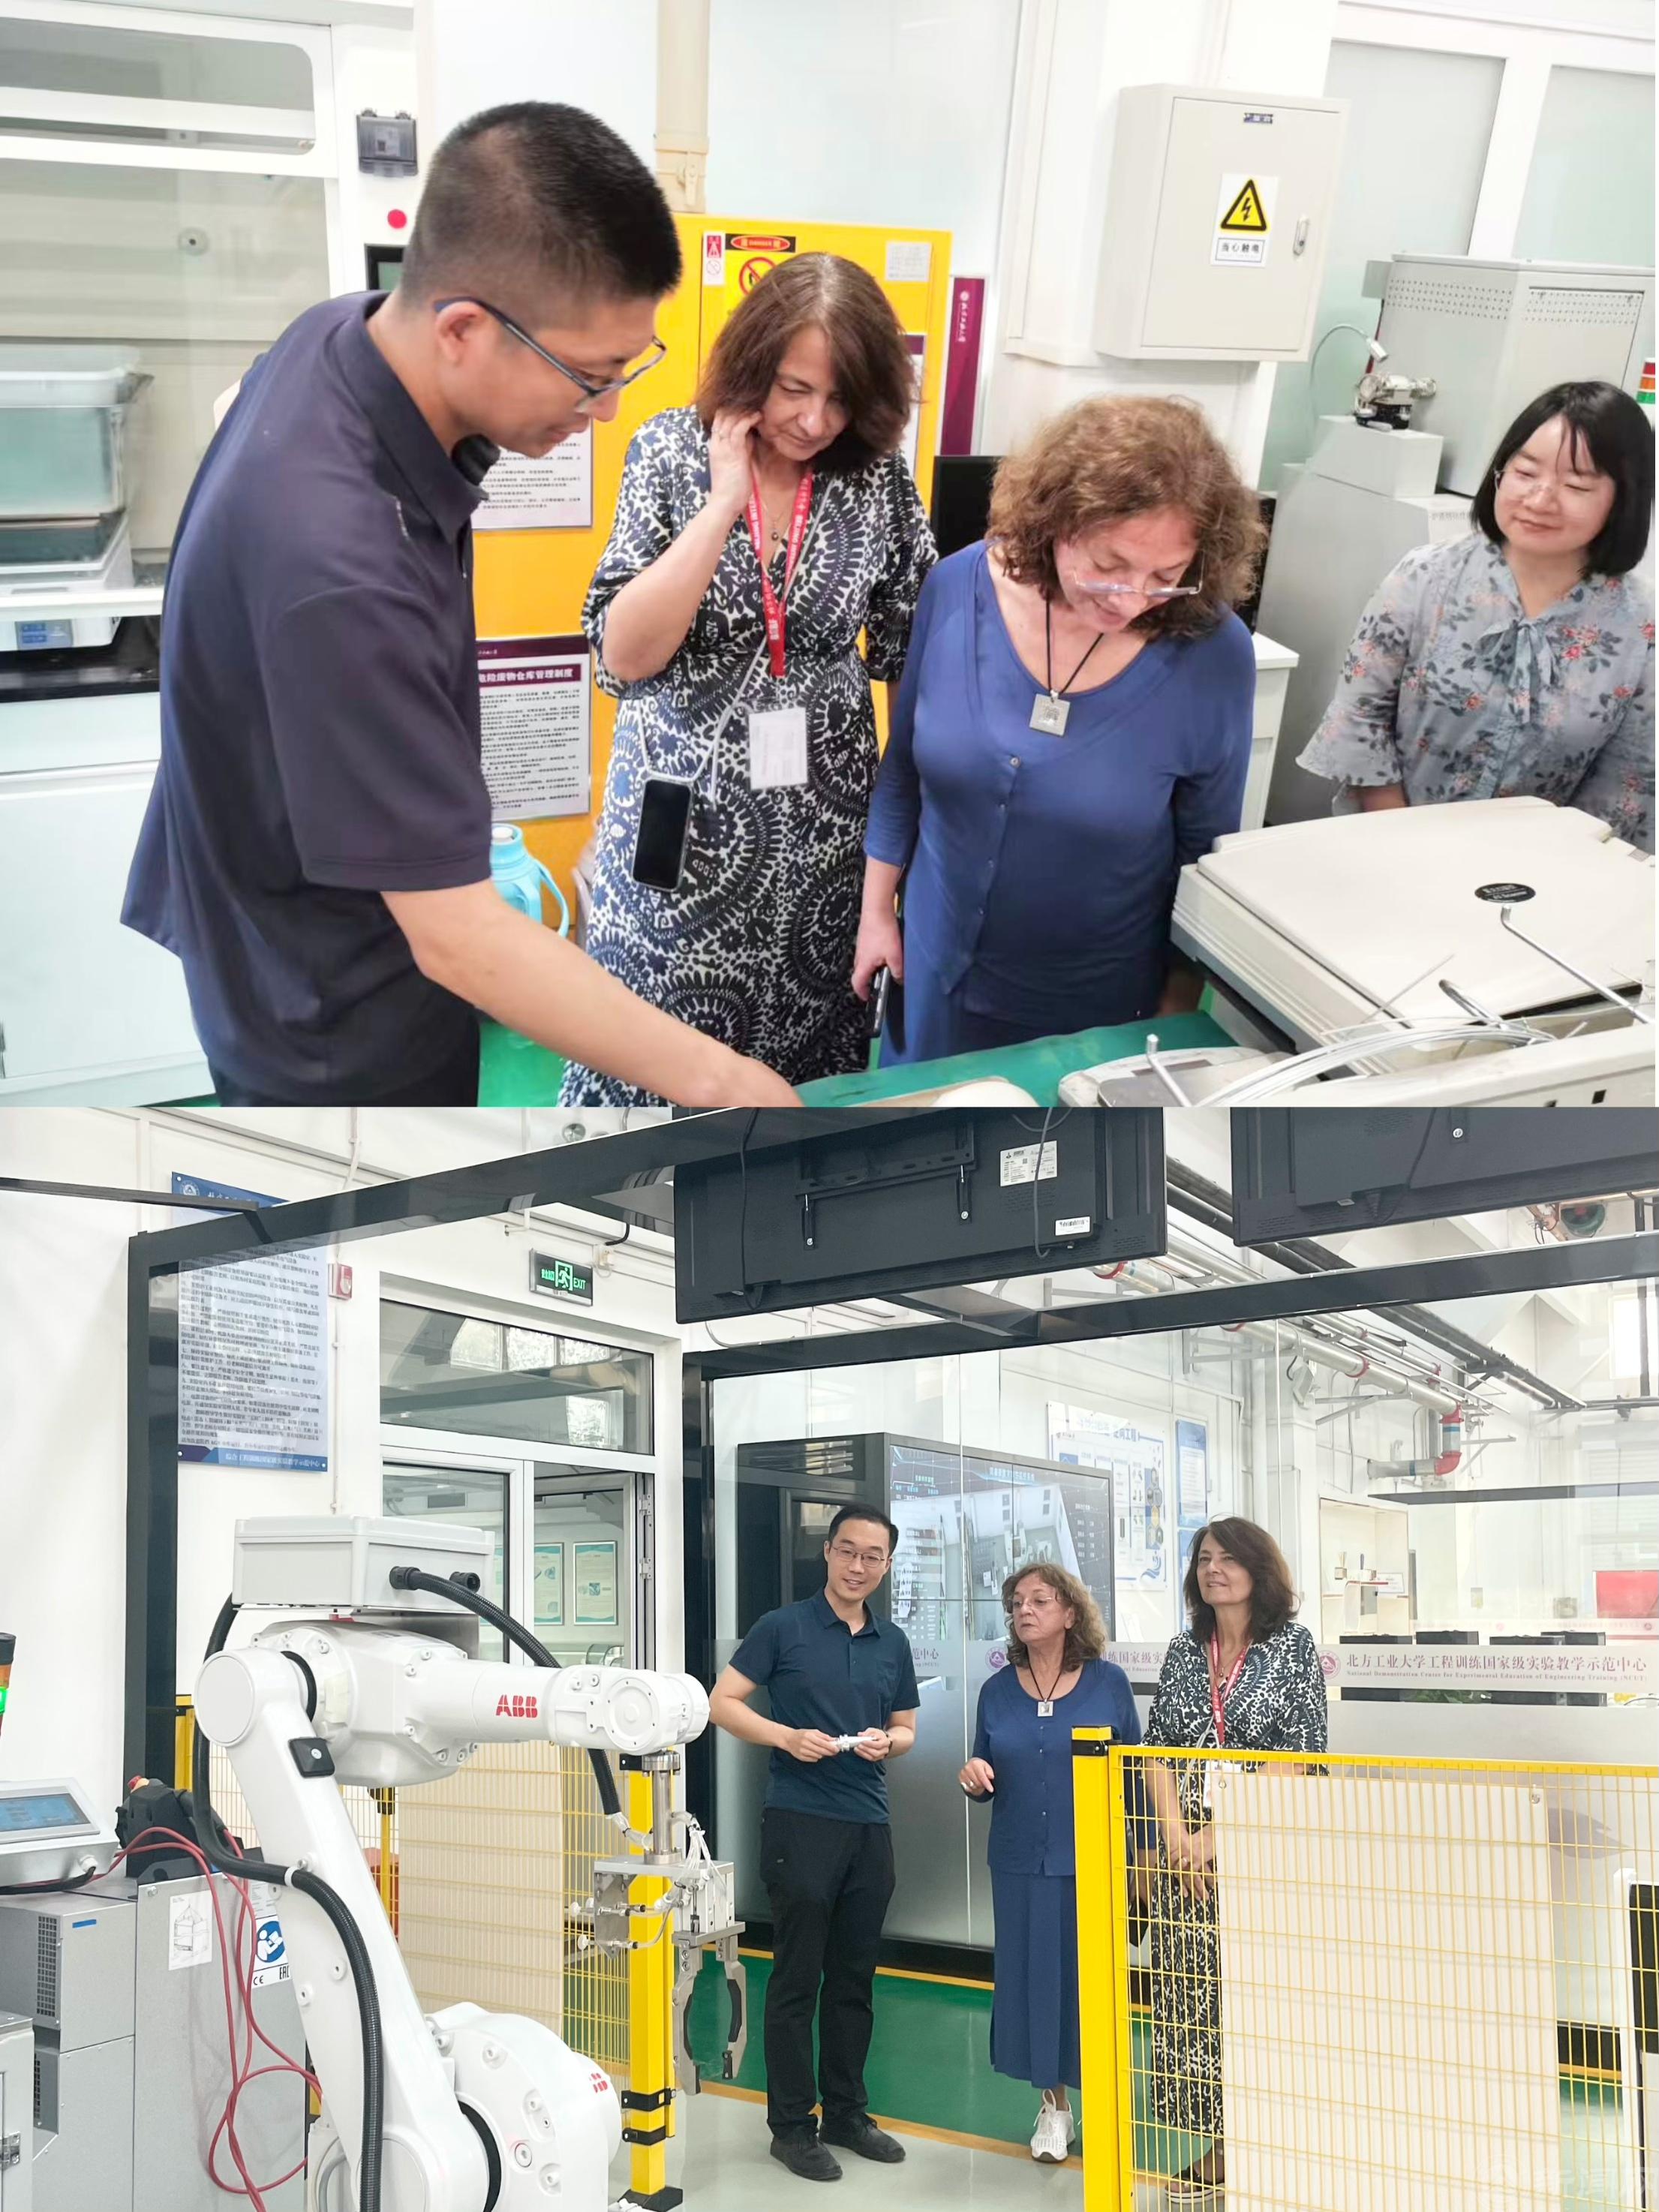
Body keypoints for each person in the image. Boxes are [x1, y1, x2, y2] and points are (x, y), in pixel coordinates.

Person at [122, 101, 798, 1108]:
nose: (608, 409)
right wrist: (728, 1080)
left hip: (282, 899)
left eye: (628, 370)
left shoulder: (338, 334)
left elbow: (235, 413)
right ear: (463, 330)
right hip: (332, 1012)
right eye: (590, 377)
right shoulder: (344, 566)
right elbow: (462, 941)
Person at [560, 253, 936, 1104]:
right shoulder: (669, 451)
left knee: (805, 1076)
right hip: (681, 836)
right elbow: (624, 655)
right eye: (794, 388)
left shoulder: (875, 477)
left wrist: (896, 864)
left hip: (825, 851)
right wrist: (722, 503)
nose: (814, 420)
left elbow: (913, 654)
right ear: (752, 365)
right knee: (653, 1057)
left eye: (841, 398)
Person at [853, 395, 1263, 1065]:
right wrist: (876, 913)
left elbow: (1203, 858)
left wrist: (1176, 1012)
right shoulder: (956, 587)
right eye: (1108, 566)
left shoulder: (1213, 654)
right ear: (1056, 523)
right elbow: (903, 771)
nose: (1131, 598)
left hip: (1095, 1009)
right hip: (932, 979)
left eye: (1166, 577)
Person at [1298, 380, 1654, 850]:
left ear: (1623, 499)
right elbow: (1359, 717)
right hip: (1388, 842)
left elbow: (1628, 783)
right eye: (1525, 472)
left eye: (1576, 486)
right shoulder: (1426, 576)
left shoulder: (1641, 628)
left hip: (1540, 870)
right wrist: (1406, 840)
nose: (1540, 499)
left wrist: (1533, 868)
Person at [708, 1505, 920, 2183]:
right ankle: (792, 2127)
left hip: (868, 1823)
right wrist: (786, 1737)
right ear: (827, 1553)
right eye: (847, 1551)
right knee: (798, 1977)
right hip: (798, 1820)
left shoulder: (892, 1642)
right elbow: (723, 1702)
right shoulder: (782, 1627)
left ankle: (847, 2115)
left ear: (886, 1565)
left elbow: (906, 1727)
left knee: (855, 1977)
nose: (858, 1566)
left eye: (873, 1556)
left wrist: (890, 1742)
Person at [1141, 1518, 1328, 2203]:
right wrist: (1177, 1838)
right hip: (1186, 1859)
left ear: (1258, 1568)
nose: (1213, 1569)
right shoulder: (1183, 1650)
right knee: (1195, 2000)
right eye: (1203, 1559)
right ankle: (1221, 2145)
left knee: (1266, 1997)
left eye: (1227, 1558)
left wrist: (1217, 1837)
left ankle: (1281, 2138)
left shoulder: (1291, 1647)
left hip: (1265, 1849)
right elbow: (1157, 1750)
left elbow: (1299, 1756)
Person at [958, 1562, 1141, 2164]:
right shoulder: (996, 1690)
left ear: (1070, 1612)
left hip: (1093, 1859)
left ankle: (1104, 2098)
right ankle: (1053, 2106)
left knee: (1090, 1983)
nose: (1024, 1610)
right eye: (1016, 1602)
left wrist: (1142, 1856)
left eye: (1039, 1600)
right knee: (1033, 1982)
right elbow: (983, 1770)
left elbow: (1134, 1774)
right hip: (1018, 1862)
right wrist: (973, 1778)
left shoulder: (1108, 1683)